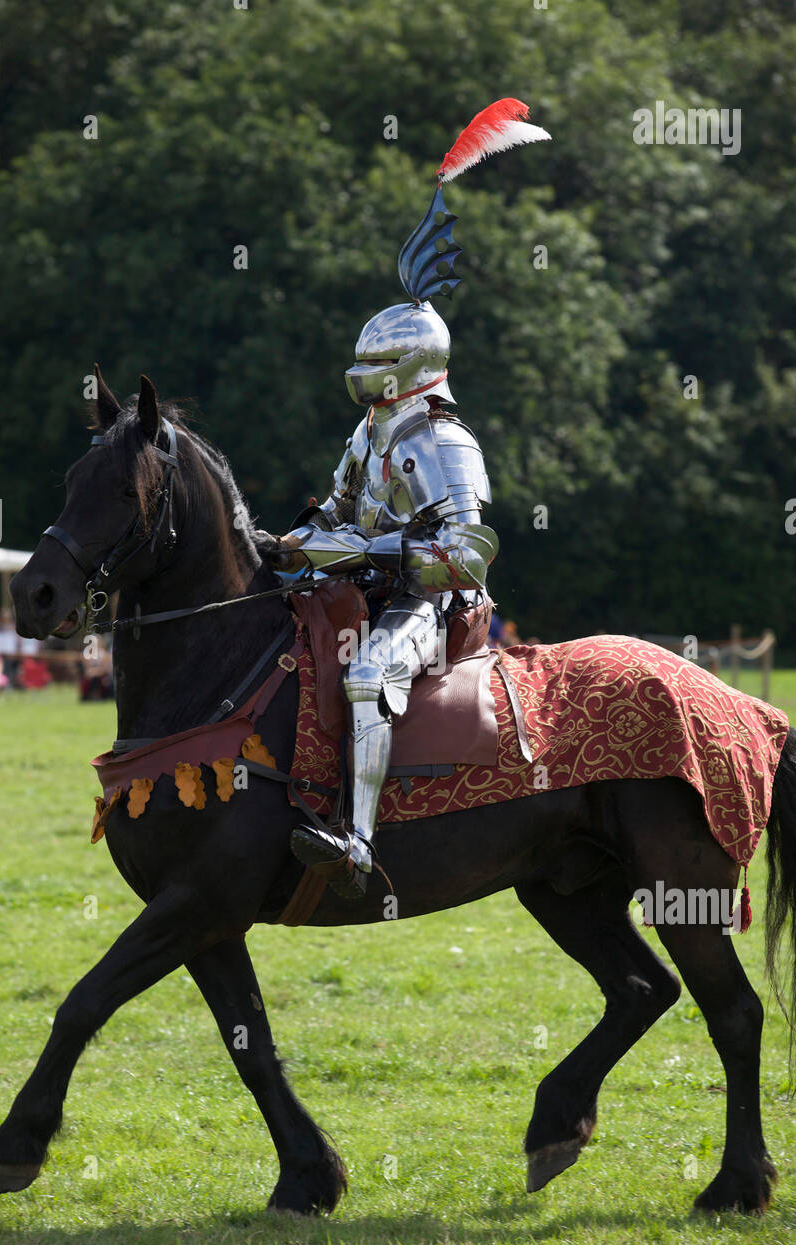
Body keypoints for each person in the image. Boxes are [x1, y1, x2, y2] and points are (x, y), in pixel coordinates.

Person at [258, 100, 550, 898]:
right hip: (365, 584)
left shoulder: (441, 440)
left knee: (365, 676)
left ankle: (355, 841)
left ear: (409, 367)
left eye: (375, 361)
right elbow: (334, 507)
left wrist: (356, 552)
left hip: (427, 602)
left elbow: (467, 554)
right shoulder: (369, 432)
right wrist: (287, 541)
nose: (363, 374)